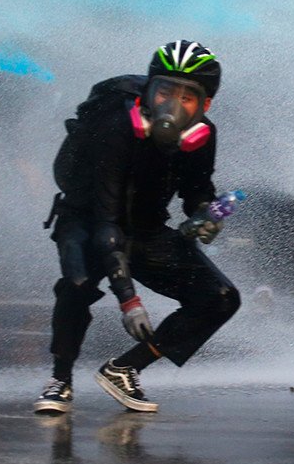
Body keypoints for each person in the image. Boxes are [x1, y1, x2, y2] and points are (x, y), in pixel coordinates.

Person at [35, 40, 241, 414]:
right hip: (88, 219)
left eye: (187, 98)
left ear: (205, 104)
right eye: (165, 91)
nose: (172, 105)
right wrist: (129, 301)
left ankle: (126, 368)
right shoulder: (116, 126)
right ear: (148, 89)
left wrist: (205, 214)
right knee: (77, 285)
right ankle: (59, 381)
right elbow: (106, 222)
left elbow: (197, 189)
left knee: (221, 298)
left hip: (145, 227)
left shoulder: (202, 137)